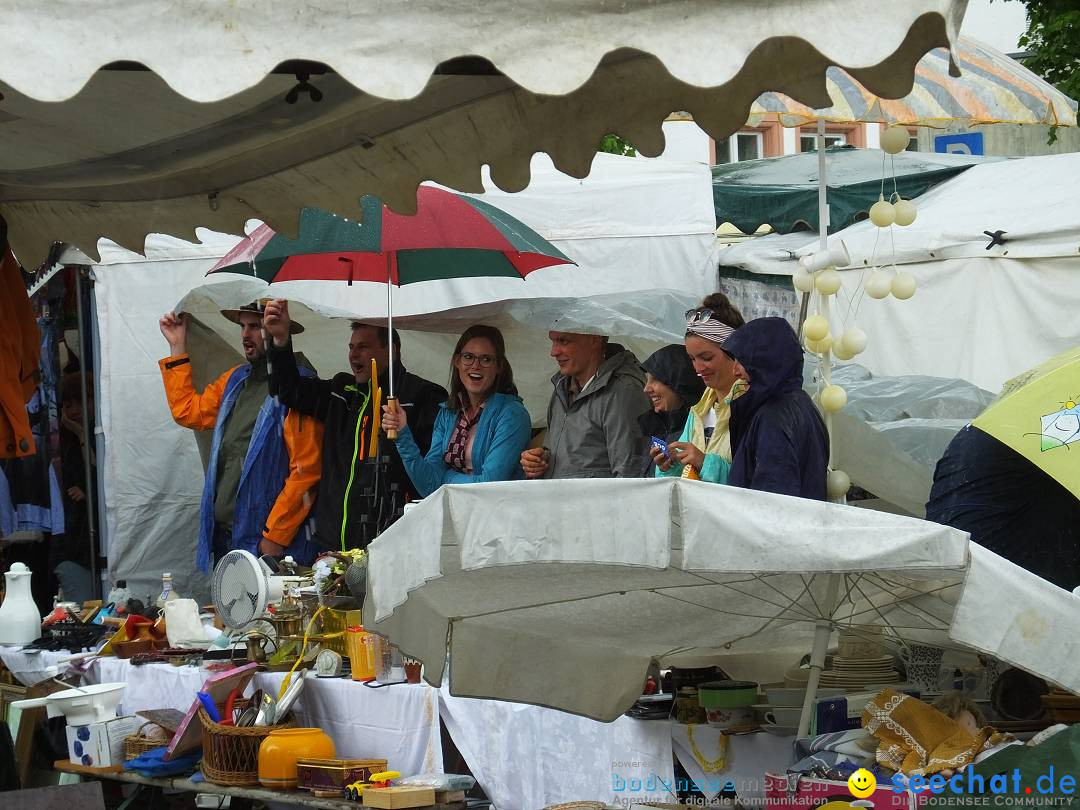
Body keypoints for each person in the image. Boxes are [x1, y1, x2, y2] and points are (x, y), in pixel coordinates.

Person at [262, 299, 447, 549]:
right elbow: (287, 390)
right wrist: (280, 341)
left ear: (391, 350)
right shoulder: (341, 392)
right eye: (351, 347)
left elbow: (432, 474)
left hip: (392, 544)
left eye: (363, 347)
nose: (353, 354)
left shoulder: (424, 396)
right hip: (332, 544)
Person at [159, 304, 323, 570]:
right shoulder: (237, 379)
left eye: (255, 326)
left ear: (277, 328)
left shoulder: (300, 386)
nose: (246, 334)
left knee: (272, 613)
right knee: (233, 612)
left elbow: (306, 472)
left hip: (271, 543)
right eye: (243, 326)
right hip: (228, 536)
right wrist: (177, 346)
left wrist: (274, 537)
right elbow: (189, 412)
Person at [381, 324, 531, 495]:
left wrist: (446, 478)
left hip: (495, 516)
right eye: (468, 357)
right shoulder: (448, 412)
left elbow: (489, 484)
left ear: (499, 367)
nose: (476, 365)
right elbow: (429, 486)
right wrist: (403, 437)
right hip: (456, 516)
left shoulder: (512, 414)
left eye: (486, 359)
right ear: (457, 361)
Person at [720, 317, 828, 499]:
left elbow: (773, 502)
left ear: (764, 360)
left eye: (743, 361)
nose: (735, 371)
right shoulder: (803, 404)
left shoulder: (773, 419)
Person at [520, 330, 650, 479]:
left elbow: (630, 473)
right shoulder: (561, 389)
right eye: (553, 341)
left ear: (595, 339)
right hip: (559, 500)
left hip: (597, 501)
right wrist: (539, 461)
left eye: (563, 341)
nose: (553, 352)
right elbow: (565, 455)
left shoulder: (623, 390)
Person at [651, 294, 745, 482]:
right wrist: (670, 466)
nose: (698, 367)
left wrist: (704, 462)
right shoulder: (700, 409)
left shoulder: (750, 406)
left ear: (734, 352)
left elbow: (754, 481)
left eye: (707, 358)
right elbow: (685, 478)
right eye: (692, 359)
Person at [638, 344, 705, 477]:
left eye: (656, 379)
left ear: (679, 382)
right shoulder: (652, 426)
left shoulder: (700, 429)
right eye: (647, 380)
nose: (646, 388)